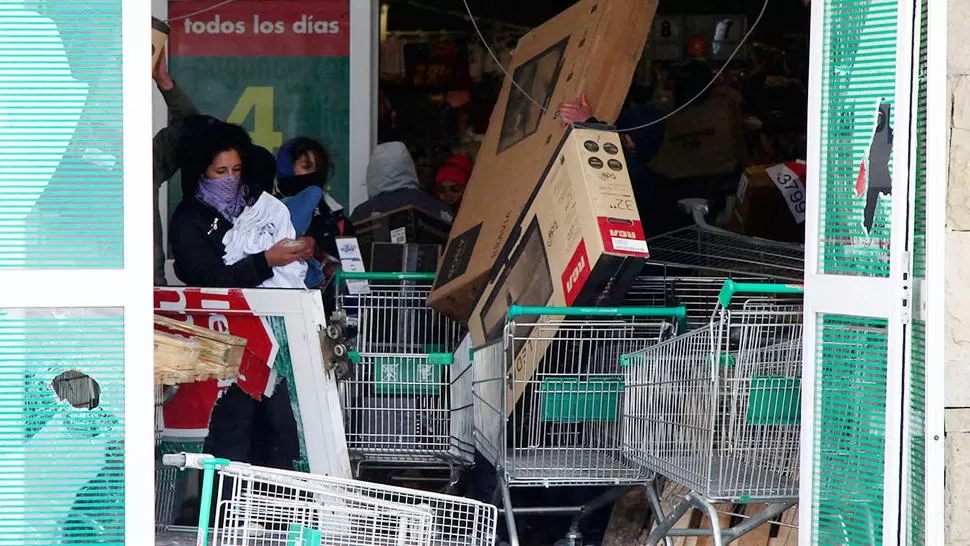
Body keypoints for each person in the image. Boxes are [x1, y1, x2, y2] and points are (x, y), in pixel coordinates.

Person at [169, 121, 312, 288]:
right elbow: (209, 279)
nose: (231, 178)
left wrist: (304, 245)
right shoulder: (188, 218)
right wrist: (265, 261)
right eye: (221, 171)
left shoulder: (258, 201)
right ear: (202, 171)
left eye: (236, 169)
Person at [275, 136, 355, 287]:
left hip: (328, 306)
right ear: (286, 168)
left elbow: (353, 272)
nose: (313, 174)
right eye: (306, 167)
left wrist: (317, 250)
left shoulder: (335, 216)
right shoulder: (267, 211)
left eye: (318, 168)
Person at [152, 50, 200, 286]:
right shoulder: (53, 157)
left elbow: (192, 128)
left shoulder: (140, 159)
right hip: (75, 283)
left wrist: (164, 81)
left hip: (144, 286)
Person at [350, 142, 455, 223]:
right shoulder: (438, 209)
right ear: (409, 166)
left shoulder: (362, 213)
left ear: (373, 171)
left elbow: (347, 249)